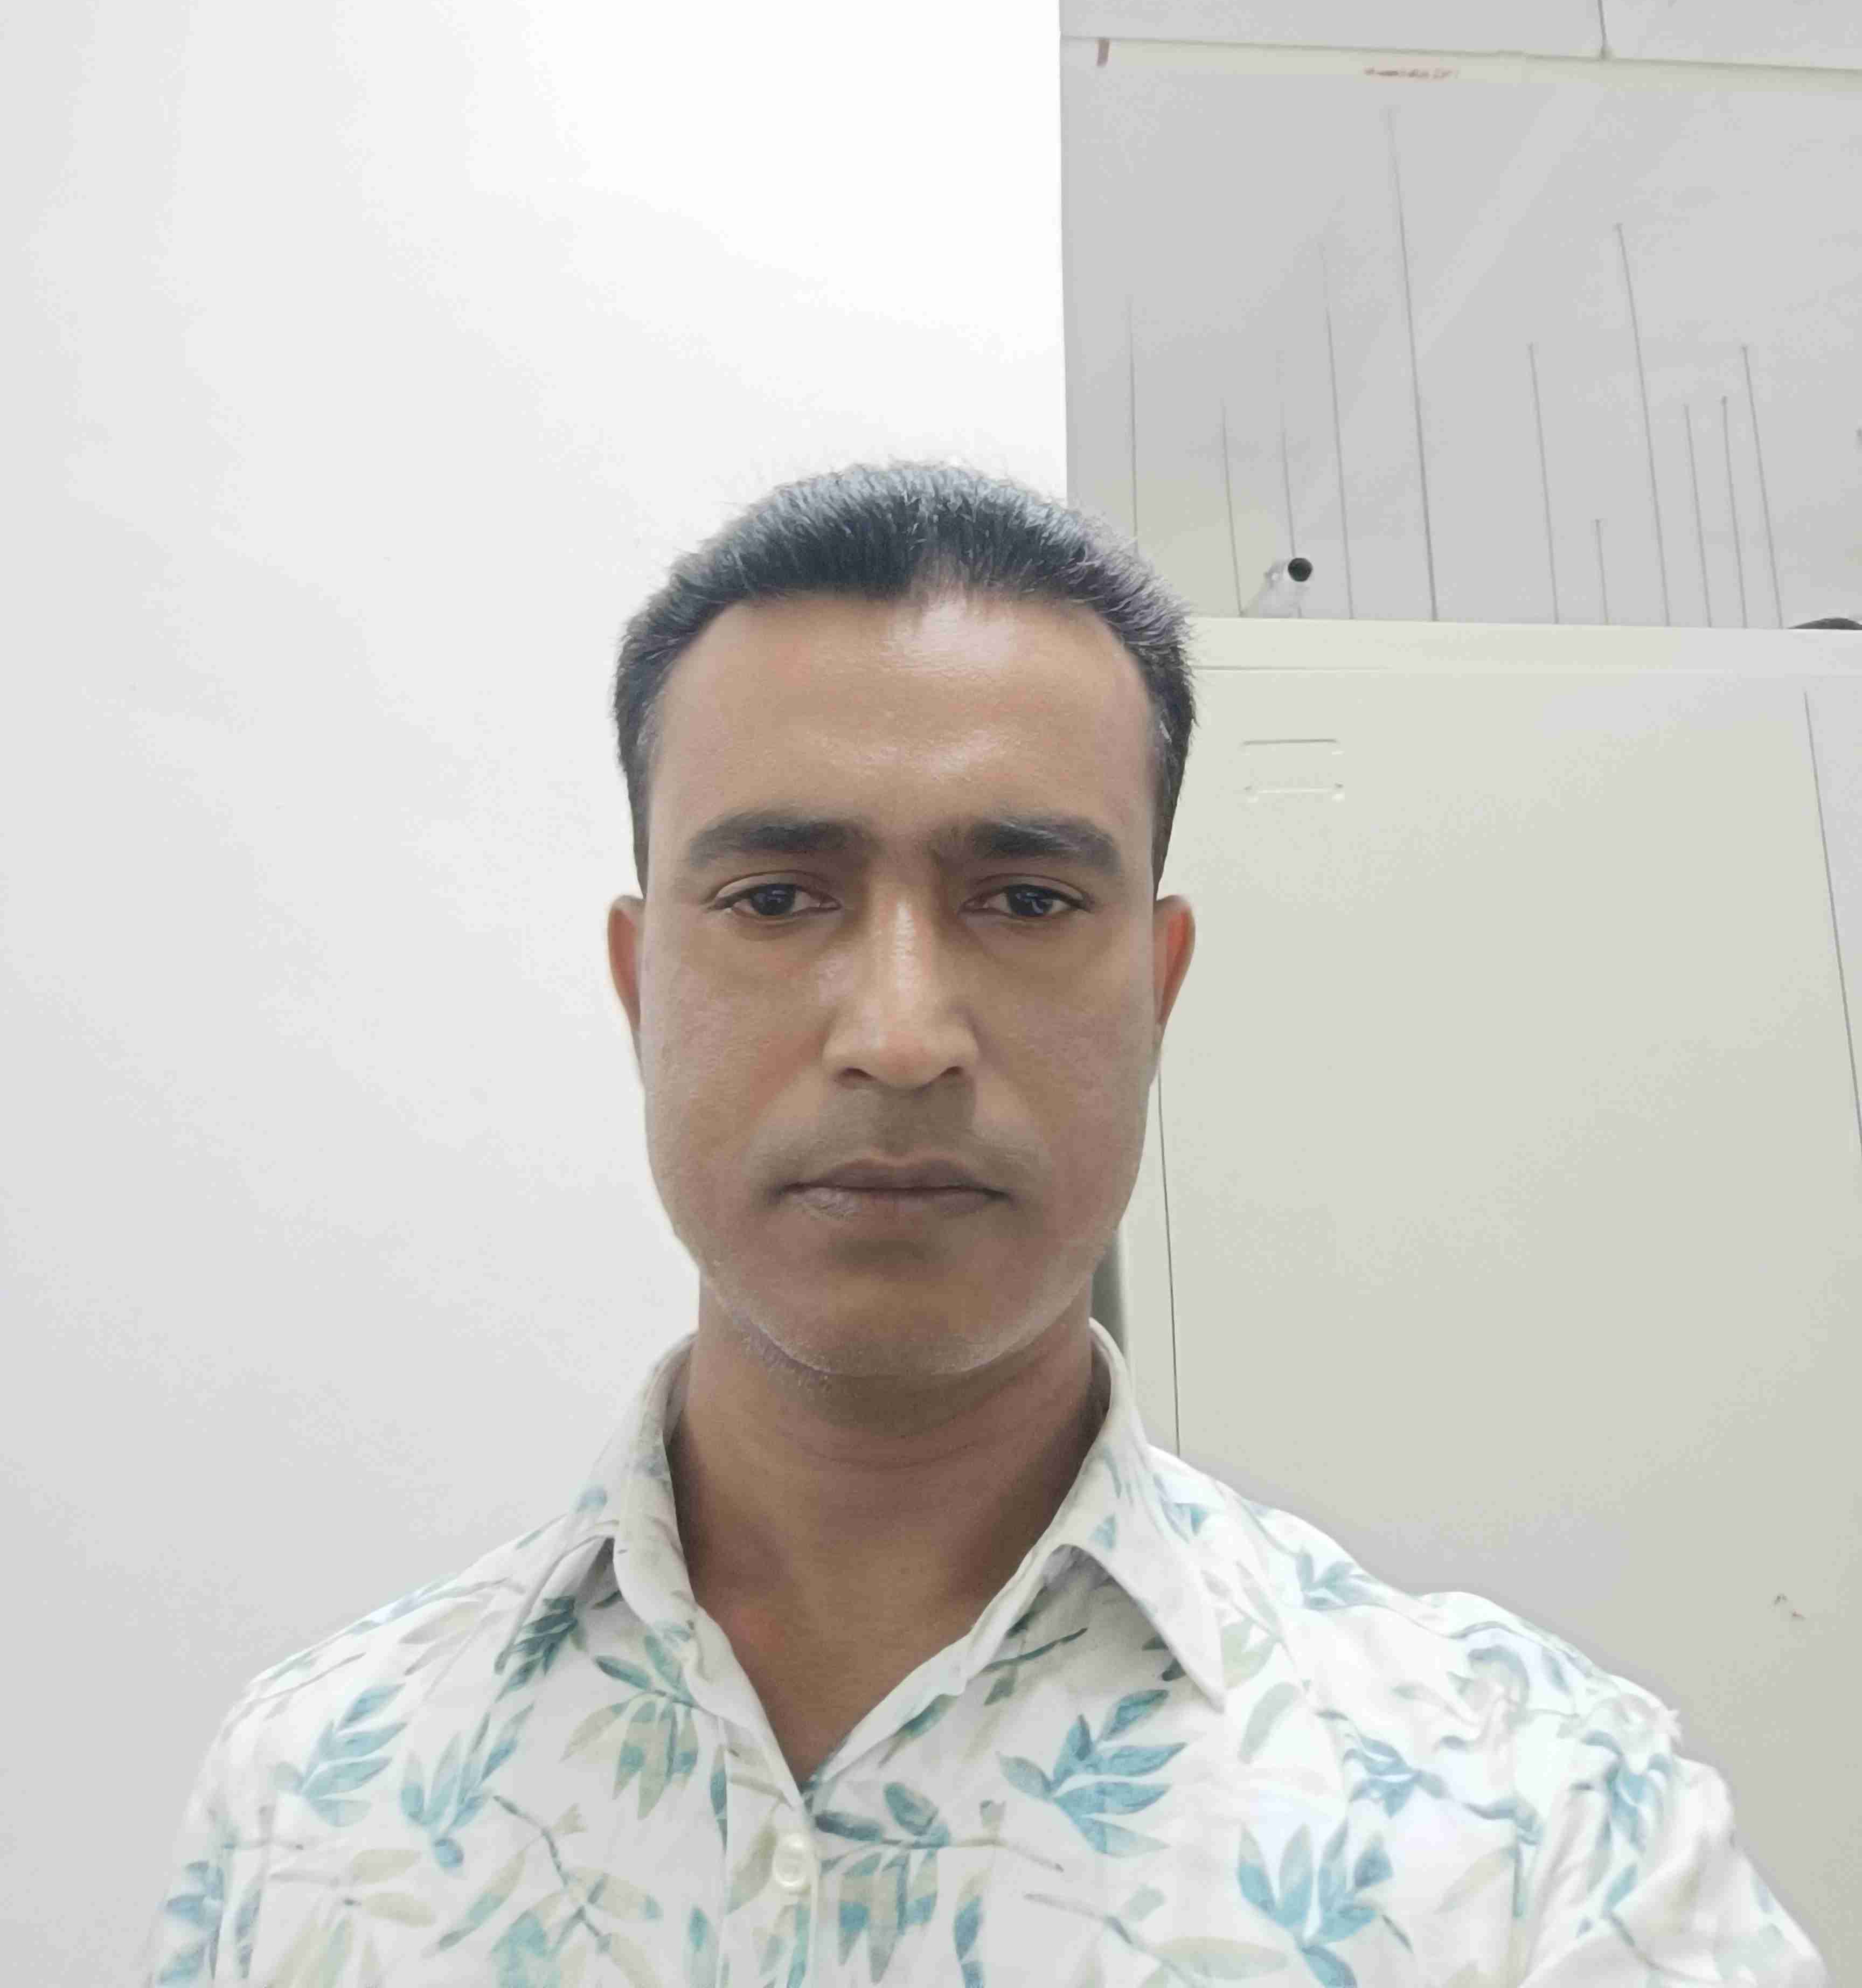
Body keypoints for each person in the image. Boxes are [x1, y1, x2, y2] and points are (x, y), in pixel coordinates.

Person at [141, 458, 1827, 1985]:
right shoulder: (316, 1800)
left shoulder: (1536, 1829)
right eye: (776, 898)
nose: (900, 1033)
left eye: (1024, 899)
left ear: (1157, 987)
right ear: (642, 985)